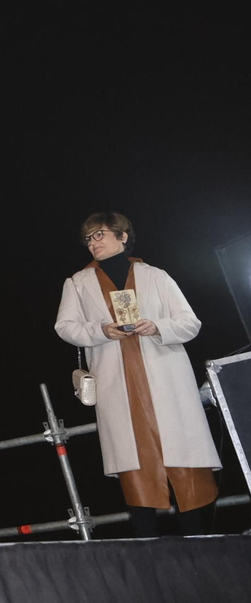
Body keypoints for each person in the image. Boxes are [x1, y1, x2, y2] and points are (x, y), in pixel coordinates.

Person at [53, 212, 220, 536]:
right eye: (88, 238)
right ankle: (146, 547)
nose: (93, 243)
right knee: (134, 467)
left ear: (122, 236)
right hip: (117, 381)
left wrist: (157, 326)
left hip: (165, 377)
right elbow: (65, 327)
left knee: (185, 464)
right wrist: (101, 330)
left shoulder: (156, 275)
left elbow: (190, 322)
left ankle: (200, 542)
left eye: (99, 234)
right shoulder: (77, 282)